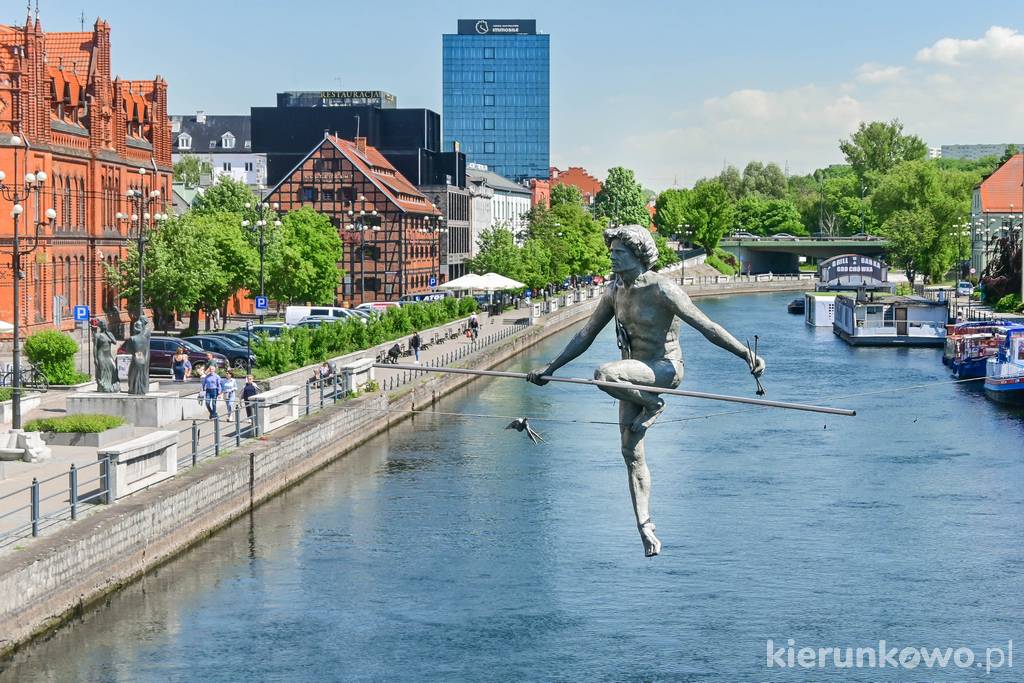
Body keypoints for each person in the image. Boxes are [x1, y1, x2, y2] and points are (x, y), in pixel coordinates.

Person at [527, 224, 765, 557]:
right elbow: (585, 335)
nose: (612, 258)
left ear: (639, 255)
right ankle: (646, 527)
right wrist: (550, 369)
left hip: (663, 370)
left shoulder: (662, 290)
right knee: (631, 453)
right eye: (611, 252)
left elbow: (706, 326)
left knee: (603, 374)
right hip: (632, 376)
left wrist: (746, 354)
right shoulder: (614, 292)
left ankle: (654, 406)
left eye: (618, 253)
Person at [92, 320, 120, 393]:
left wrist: (108, 334)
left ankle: (112, 384)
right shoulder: (97, 335)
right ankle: (103, 385)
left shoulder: (109, 334)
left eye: (105, 325)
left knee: (113, 368)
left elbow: (115, 342)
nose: (105, 326)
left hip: (108, 355)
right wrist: (95, 359)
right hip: (101, 355)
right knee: (103, 371)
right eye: (103, 325)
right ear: (100, 326)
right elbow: (95, 347)